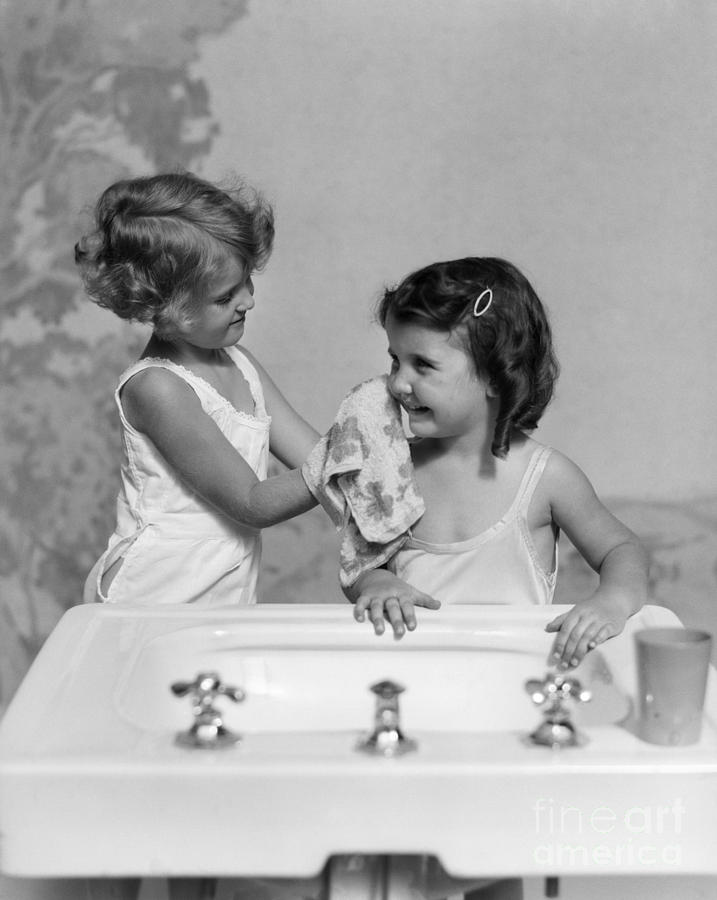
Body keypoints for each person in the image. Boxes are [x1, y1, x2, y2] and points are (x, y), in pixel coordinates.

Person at [347, 256, 649, 672]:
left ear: (495, 375)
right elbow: (362, 563)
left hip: (517, 679)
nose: (398, 383)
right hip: (415, 678)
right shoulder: (392, 466)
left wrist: (611, 602)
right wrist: (375, 582)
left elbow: (622, 549)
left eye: (423, 364)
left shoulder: (546, 478)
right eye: (396, 360)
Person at [76, 171, 318, 606]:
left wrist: (389, 445)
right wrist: (356, 462)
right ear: (165, 308)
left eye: (247, 280)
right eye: (225, 297)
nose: (249, 300)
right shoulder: (158, 388)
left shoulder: (242, 366)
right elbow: (252, 502)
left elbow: (317, 457)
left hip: (222, 592)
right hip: (154, 593)